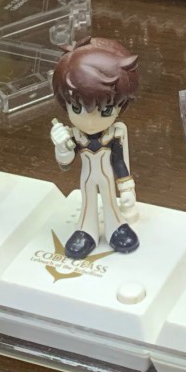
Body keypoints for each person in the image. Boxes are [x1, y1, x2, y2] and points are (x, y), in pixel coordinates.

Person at [49, 37, 140, 258]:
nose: (90, 121)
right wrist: (61, 146)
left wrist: (127, 189)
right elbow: (65, 163)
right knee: (88, 201)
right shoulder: (75, 134)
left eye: (105, 110)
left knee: (109, 200)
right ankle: (86, 231)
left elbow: (120, 161)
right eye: (77, 108)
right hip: (87, 179)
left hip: (108, 179)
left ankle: (116, 227)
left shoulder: (115, 133)